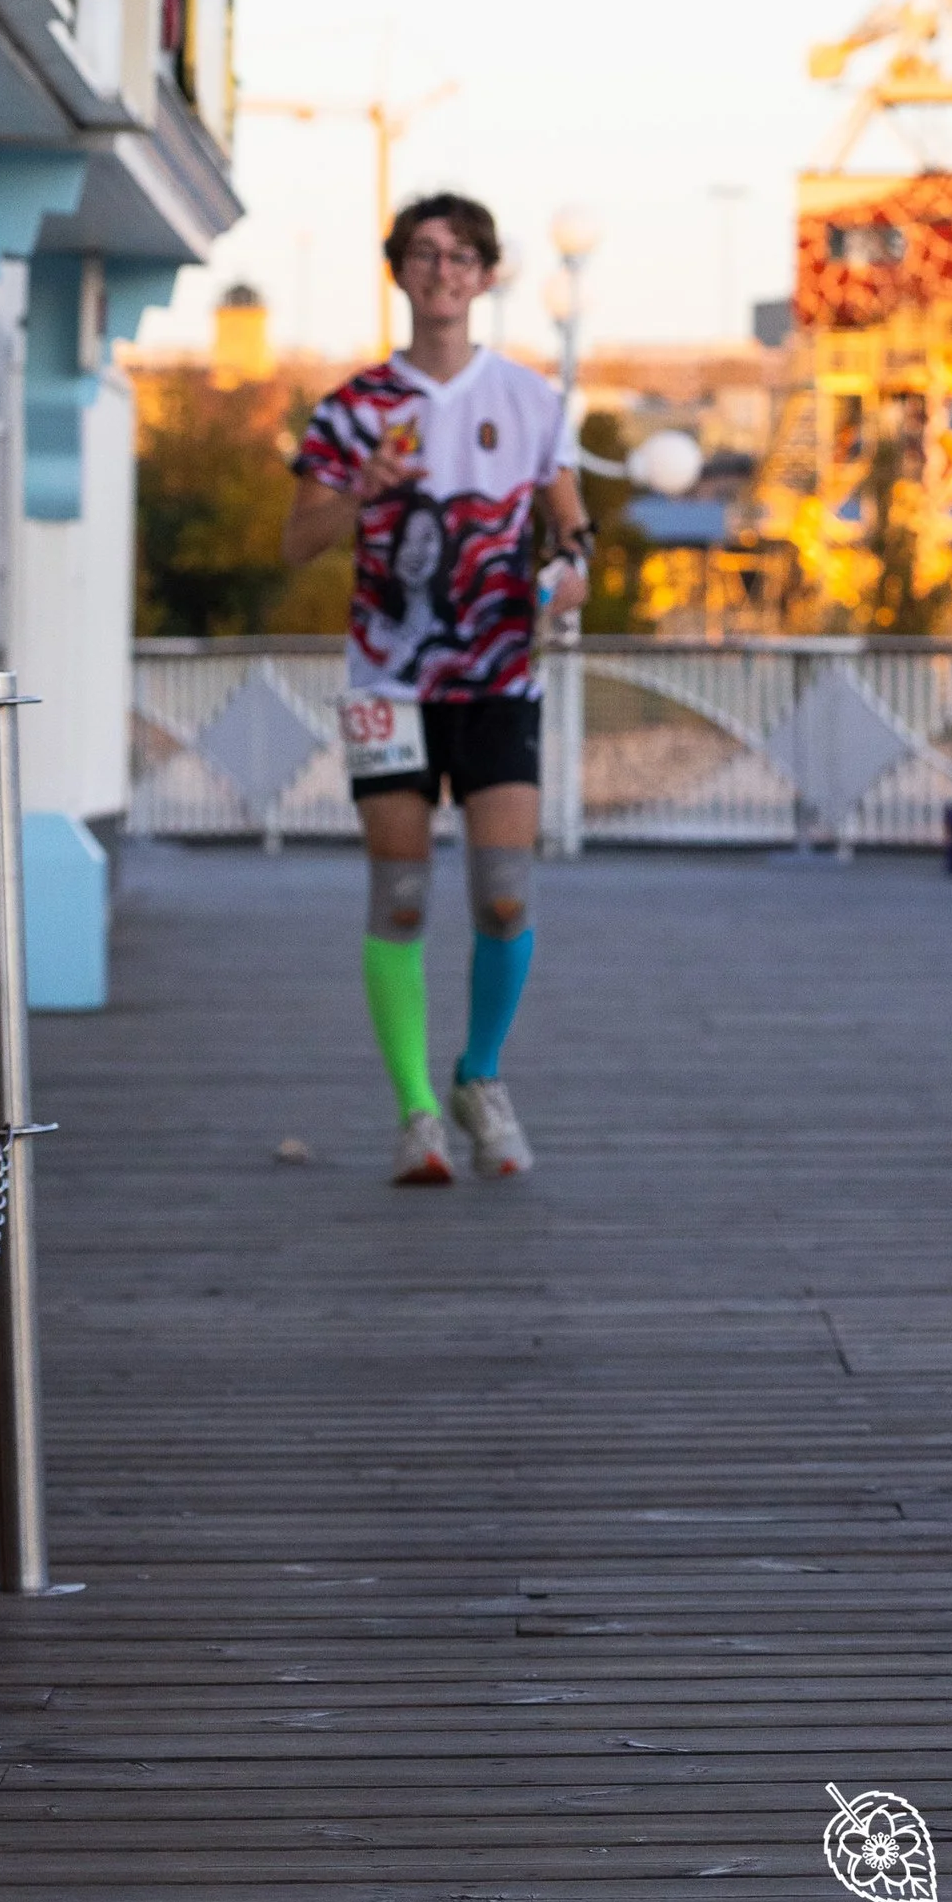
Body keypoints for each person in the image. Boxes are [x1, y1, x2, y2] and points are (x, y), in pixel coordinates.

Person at [285, 193, 588, 1187]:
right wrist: (362, 486)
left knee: (503, 895)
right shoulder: (353, 406)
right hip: (385, 680)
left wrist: (575, 570)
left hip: (500, 674)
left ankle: (479, 1076)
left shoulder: (532, 400)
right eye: (424, 253)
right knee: (402, 898)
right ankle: (417, 1112)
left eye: (461, 255)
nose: (443, 270)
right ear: (400, 271)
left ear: (486, 275)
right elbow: (298, 542)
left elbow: (570, 526)